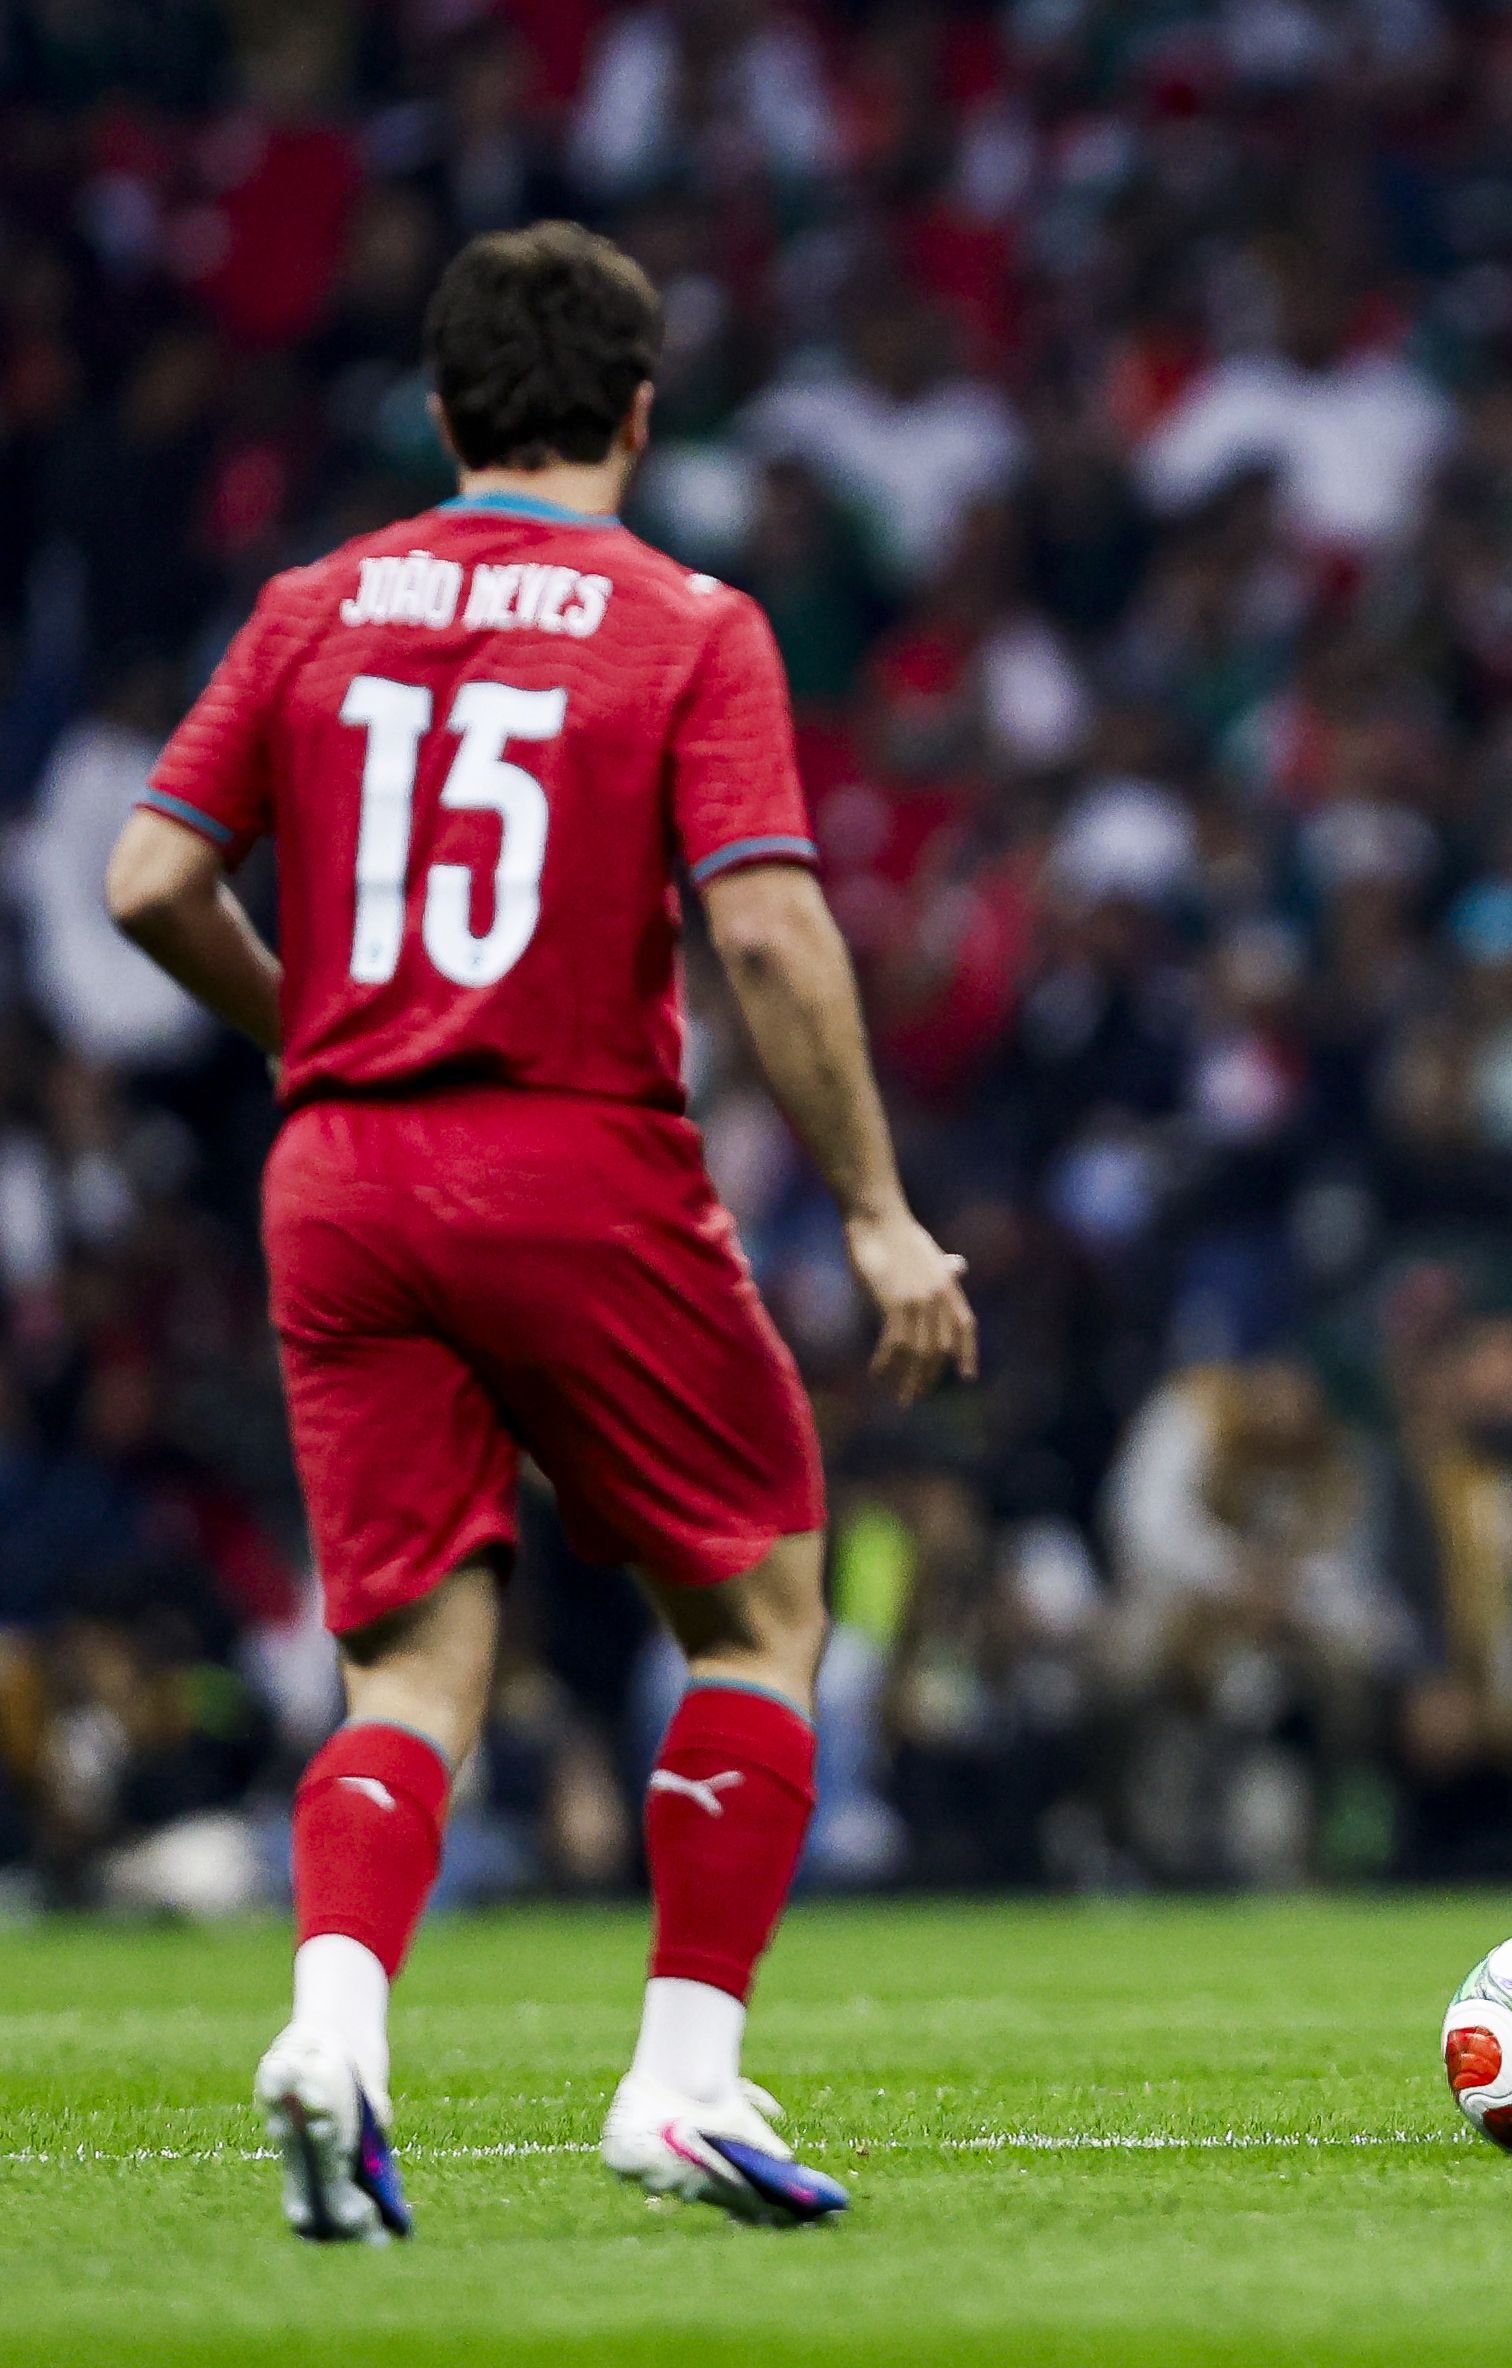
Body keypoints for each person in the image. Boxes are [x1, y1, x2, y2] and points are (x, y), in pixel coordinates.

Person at [105, 223, 977, 2241]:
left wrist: (309, 1028)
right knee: (760, 1608)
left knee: (408, 1666)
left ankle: (336, 2025)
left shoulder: (315, 602)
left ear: (441, 412)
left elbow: (152, 877)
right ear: (642, 411)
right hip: (573, 1159)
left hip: (340, 1175)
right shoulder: (684, 618)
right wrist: (874, 1208)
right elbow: (760, 918)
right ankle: (679, 2080)